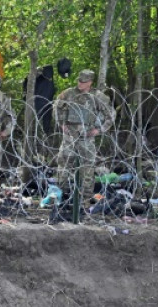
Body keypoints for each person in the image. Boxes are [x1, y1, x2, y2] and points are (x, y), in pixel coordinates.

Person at [53, 69, 115, 205]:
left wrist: (99, 130)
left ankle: (85, 198)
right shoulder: (68, 93)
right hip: (69, 136)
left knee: (87, 168)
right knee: (64, 165)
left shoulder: (98, 97)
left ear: (90, 82)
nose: (80, 84)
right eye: (79, 81)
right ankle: (60, 195)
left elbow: (110, 115)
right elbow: (57, 107)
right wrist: (61, 124)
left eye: (83, 82)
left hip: (87, 137)